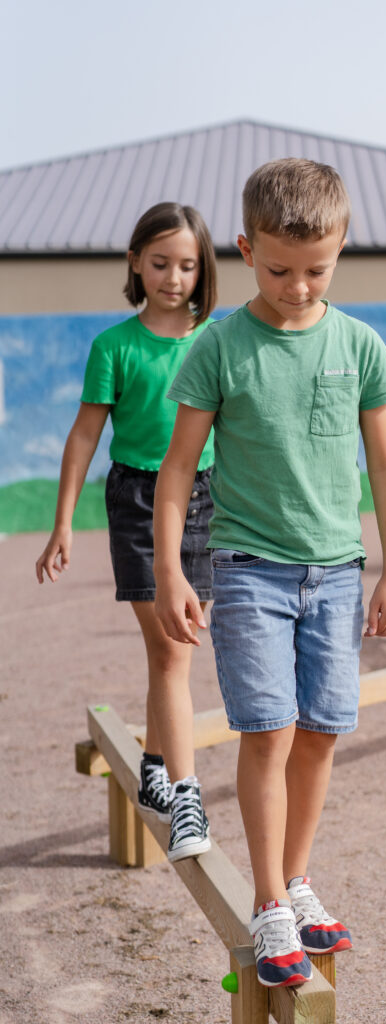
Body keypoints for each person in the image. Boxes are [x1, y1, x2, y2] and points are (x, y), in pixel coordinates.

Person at [153, 158, 386, 988]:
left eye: (316, 271)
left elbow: (385, 465)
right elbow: (178, 469)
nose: (297, 288)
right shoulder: (220, 346)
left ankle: (296, 880)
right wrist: (170, 571)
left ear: (340, 251)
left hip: (336, 574)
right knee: (266, 730)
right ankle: (267, 902)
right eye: (277, 271)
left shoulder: (359, 345)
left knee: (322, 731)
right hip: (248, 570)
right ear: (244, 250)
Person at [35, 202, 217, 863]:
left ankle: (155, 768)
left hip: (205, 498)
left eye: (187, 265)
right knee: (172, 649)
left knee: (172, 654)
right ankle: (187, 795)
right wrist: (63, 523)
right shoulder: (113, 346)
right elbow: (84, 436)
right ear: (135, 262)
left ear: (203, 270)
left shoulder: (215, 339)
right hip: (137, 501)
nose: (174, 278)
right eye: (160, 263)